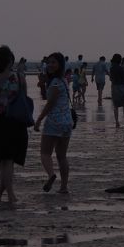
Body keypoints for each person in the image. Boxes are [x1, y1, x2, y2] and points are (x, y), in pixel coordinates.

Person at [0, 45, 28, 204]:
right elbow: (25, 99)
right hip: (17, 121)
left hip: (0, 122)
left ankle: (6, 193)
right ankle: (8, 194)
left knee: (5, 160)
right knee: (9, 160)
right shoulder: (20, 77)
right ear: (10, 60)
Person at [34, 52, 73, 194]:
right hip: (67, 122)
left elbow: (50, 103)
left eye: (54, 62)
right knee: (62, 156)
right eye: (49, 62)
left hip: (54, 122)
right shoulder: (63, 80)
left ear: (60, 65)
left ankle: (51, 175)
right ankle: (64, 187)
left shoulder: (56, 83)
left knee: (45, 153)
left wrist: (39, 119)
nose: (50, 65)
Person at [109, 53, 124, 127]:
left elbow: (111, 79)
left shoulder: (111, 68)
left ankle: (117, 122)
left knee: (115, 106)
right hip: (122, 87)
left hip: (114, 87)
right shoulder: (121, 68)